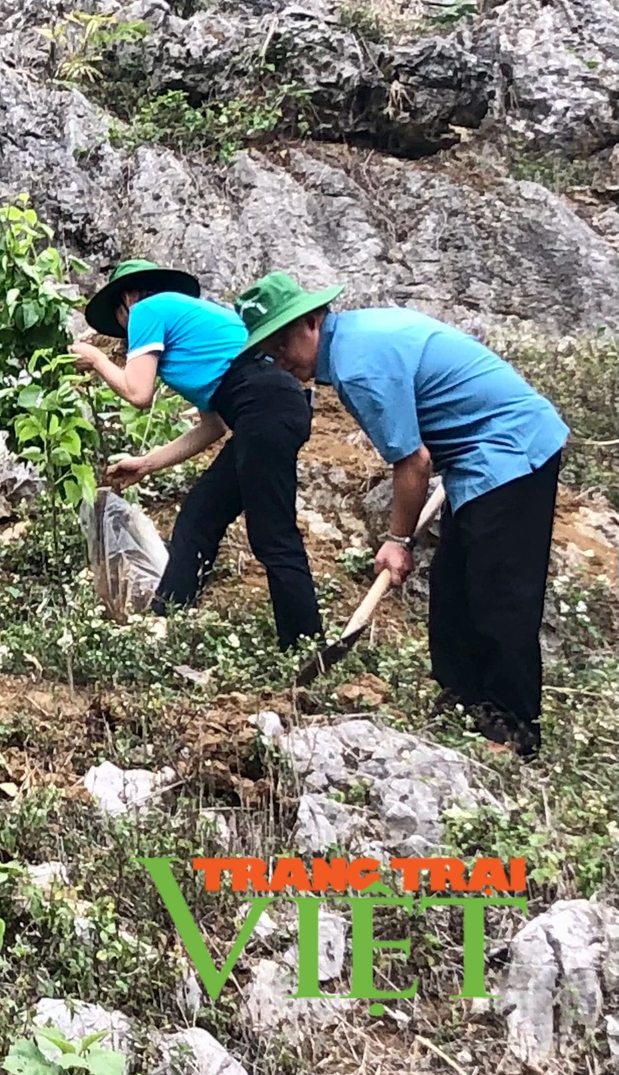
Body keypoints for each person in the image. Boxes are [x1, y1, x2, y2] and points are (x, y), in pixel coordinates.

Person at [239, 273, 568, 756]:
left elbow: (413, 462)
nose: (281, 359)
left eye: (282, 342)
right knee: (454, 586)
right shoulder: (358, 337)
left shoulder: (358, 365)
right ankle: (463, 701)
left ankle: (514, 728)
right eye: (268, 351)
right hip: (476, 459)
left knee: (499, 592)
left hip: (510, 449)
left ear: (312, 322)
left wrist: (399, 540)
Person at [72, 260, 325, 654]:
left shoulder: (147, 310)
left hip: (265, 408)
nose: (126, 334)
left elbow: (138, 394)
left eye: (120, 323)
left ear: (126, 299)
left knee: (273, 535)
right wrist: (147, 463)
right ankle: (164, 623)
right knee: (200, 514)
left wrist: (98, 361)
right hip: (266, 408)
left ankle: (305, 645)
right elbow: (213, 427)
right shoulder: (189, 327)